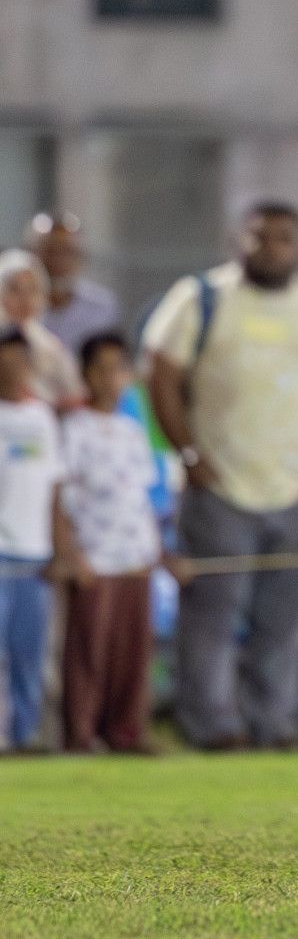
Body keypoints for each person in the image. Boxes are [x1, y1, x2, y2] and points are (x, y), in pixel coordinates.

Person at [143, 201, 298, 751]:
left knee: (286, 624)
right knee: (211, 620)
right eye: (260, 237)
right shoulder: (199, 298)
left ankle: (273, 725)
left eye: (284, 238)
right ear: (237, 241)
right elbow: (160, 374)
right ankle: (211, 727)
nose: (271, 247)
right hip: (219, 490)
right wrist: (189, 454)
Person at [59, 332, 162, 754]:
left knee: (133, 650)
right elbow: (61, 495)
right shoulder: (74, 429)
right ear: (85, 375)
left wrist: (152, 550)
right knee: (89, 649)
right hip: (94, 555)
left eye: (118, 368)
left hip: (133, 554)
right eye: (101, 369)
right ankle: (81, 733)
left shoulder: (131, 431)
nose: (111, 378)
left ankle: (126, 730)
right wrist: (72, 553)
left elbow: (141, 497)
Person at [0, 330, 88, 752]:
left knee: (29, 653)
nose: (14, 370)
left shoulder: (42, 421)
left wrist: (61, 550)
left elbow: (55, 492)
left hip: (34, 556)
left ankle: (27, 733)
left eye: (21, 361)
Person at [0, 248, 85, 409]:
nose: (24, 299)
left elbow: (75, 391)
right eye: (15, 289)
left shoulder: (49, 345)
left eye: (31, 289)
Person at [28, 212, 121, 352]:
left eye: (68, 251)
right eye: (50, 251)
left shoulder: (102, 307)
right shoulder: (12, 304)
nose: (59, 261)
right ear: (31, 253)